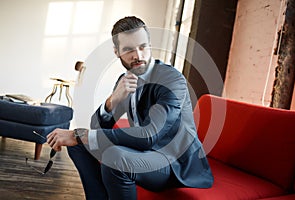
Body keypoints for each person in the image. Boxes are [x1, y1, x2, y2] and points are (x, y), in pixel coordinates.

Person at [47, 16, 213, 200]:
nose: (138, 56)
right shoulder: (124, 81)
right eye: (128, 49)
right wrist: (113, 100)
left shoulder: (171, 80)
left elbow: (150, 136)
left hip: (175, 161)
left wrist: (79, 134)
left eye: (143, 47)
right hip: (145, 153)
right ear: (117, 51)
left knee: (114, 157)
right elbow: (97, 127)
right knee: (79, 147)